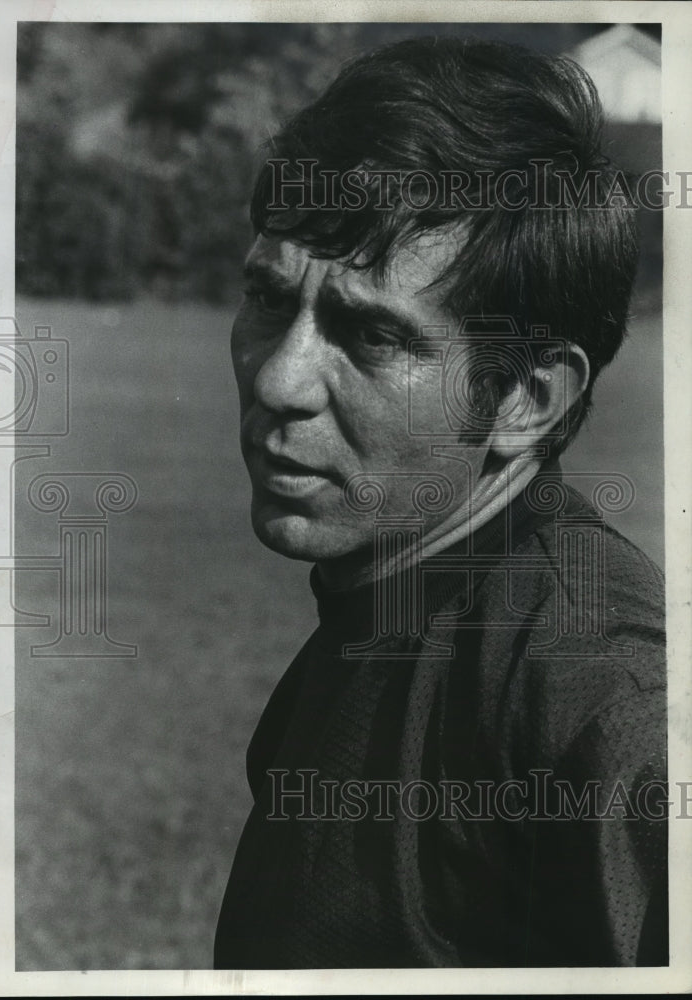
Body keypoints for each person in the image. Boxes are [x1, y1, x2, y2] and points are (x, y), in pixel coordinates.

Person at [213, 36, 666, 968]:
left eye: (370, 334)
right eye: (269, 299)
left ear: (525, 399)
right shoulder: (386, 589)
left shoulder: (594, 688)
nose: (282, 378)